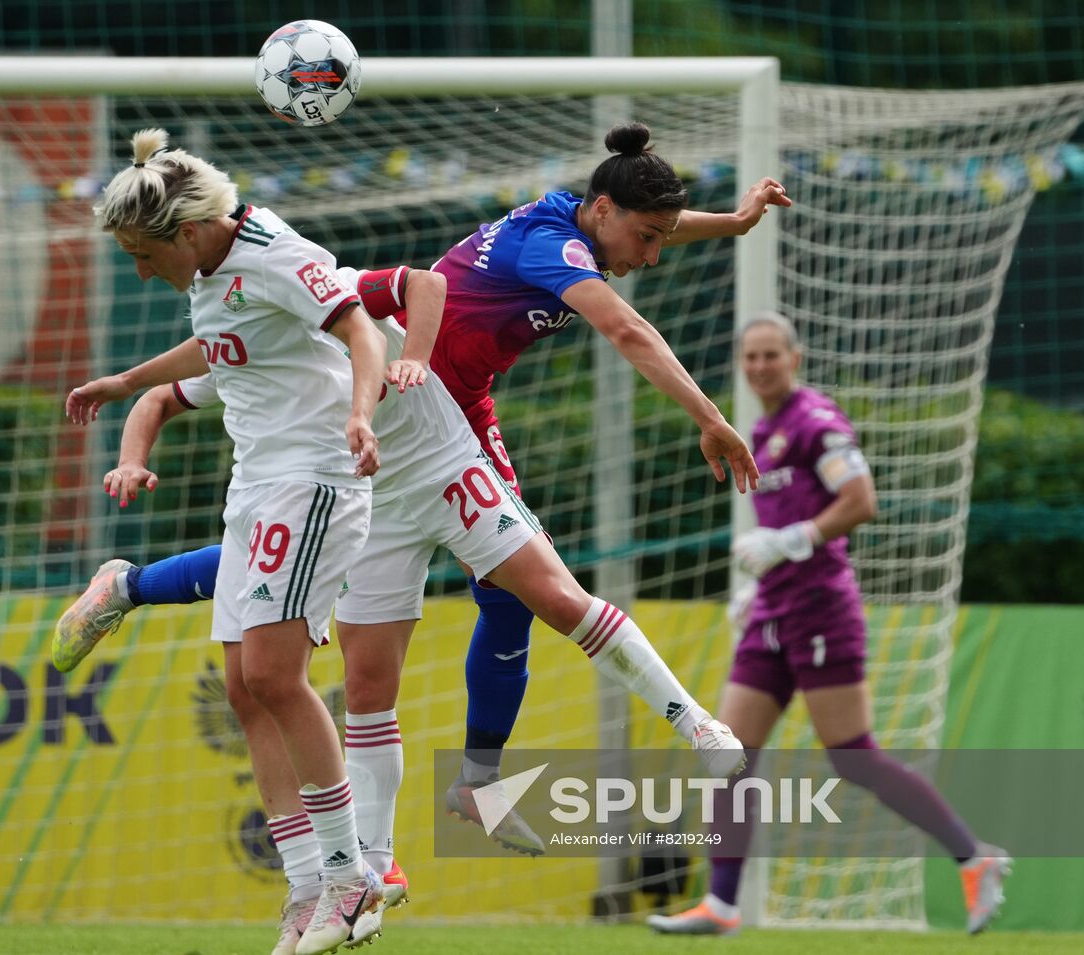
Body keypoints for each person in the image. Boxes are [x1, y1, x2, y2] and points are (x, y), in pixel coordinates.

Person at [65, 121, 785, 852]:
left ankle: (516, 773)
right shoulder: (284, 323)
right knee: (344, 644)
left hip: (448, 427)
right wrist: (713, 418)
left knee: (526, 594)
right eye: (650, 239)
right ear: (602, 212)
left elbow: (435, 282)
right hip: (381, 449)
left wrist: (732, 222)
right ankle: (377, 861)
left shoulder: (568, 225)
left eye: (664, 237)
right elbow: (626, 329)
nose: (655, 255)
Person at [78, 261, 749, 952]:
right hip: (372, 503)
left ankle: (693, 722)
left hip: (445, 464)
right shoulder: (256, 343)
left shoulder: (333, 294)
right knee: (367, 687)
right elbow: (163, 396)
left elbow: (426, 284)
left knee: (549, 595)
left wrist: (415, 362)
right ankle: (373, 868)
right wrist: (132, 449)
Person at [63, 126, 391, 955]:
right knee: (244, 689)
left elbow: (361, 330)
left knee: (277, 677)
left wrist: (359, 409)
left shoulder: (275, 249)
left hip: (314, 480)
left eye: (143, 254)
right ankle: (307, 885)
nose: (141, 270)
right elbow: (214, 349)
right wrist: (130, 383)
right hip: (255, 489)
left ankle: (354, 878)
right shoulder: (212, 274)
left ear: (187, 232)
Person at [646, 311, 1011, 937]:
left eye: (771, 355)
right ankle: (722, 905)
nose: (760, 366)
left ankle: (974, 857)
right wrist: (758, 581)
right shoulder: (759, 432)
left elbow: (860, 501)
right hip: (773, 612)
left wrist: (790, 540)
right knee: (730, 754)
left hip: (821, 611)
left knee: (853, 758)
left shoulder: (816, 424)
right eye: (751, 357)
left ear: (796, 358)